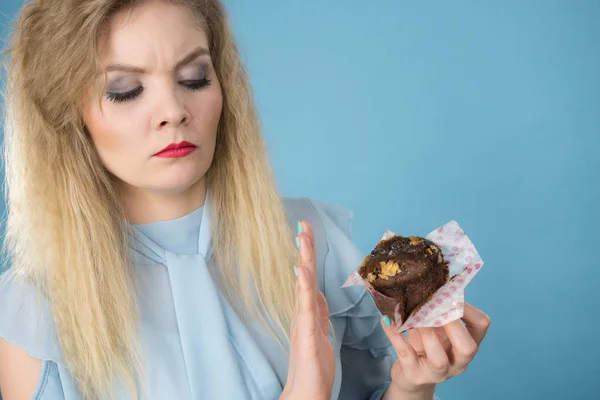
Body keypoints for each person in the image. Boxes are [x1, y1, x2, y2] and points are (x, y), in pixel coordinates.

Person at [0, 0, 490, 399]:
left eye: (194, 77)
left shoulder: (309, 239)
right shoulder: (26, 316)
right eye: (126, 90)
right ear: (69, 115)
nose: (173, 110)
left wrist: (411, 387)